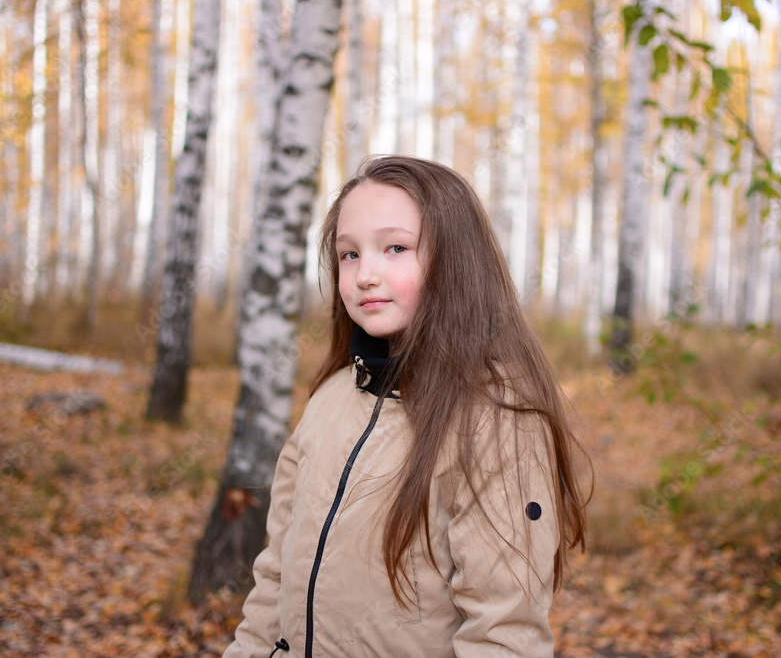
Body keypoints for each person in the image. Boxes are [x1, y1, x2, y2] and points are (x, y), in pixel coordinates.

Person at [223, 156, 589, 658]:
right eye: (349, 254)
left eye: (395, 248)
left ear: (454, 262)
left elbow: (504, 635)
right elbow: (274, 576)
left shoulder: (497, 421)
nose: (365, 274)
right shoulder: (331, 397)